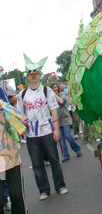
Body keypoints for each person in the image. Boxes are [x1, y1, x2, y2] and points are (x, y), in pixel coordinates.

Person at [17, 55, 68, 200]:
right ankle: (43, 190)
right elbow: (20, 113)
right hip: (32, 135)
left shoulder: (47, 91)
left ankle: (60, 185)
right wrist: (22, 119)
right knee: (37, 164)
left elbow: (53, 110)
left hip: (47, 130)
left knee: (54, 159)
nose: (34, 76)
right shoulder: (22, 94)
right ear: (28, 76)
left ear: (39, 75)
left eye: (36, 74)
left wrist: (56, 129)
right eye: (31, 74)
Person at [0, 99, 30, 214]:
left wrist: (22, 120)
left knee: (16, 194)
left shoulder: (3, 106)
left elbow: (19, 120)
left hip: (10, 157)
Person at [50, 82, 82, 161]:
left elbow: (61, 101)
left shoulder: (62, 94)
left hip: (65, 118)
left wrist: (54, 95)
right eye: (52, 88)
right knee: (61, 139)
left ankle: (77, 149)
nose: (54, 89)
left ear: (57, 87)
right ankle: (65, 156)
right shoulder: (49, 98)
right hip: (57, 121)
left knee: (68, 135)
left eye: (55, 87)